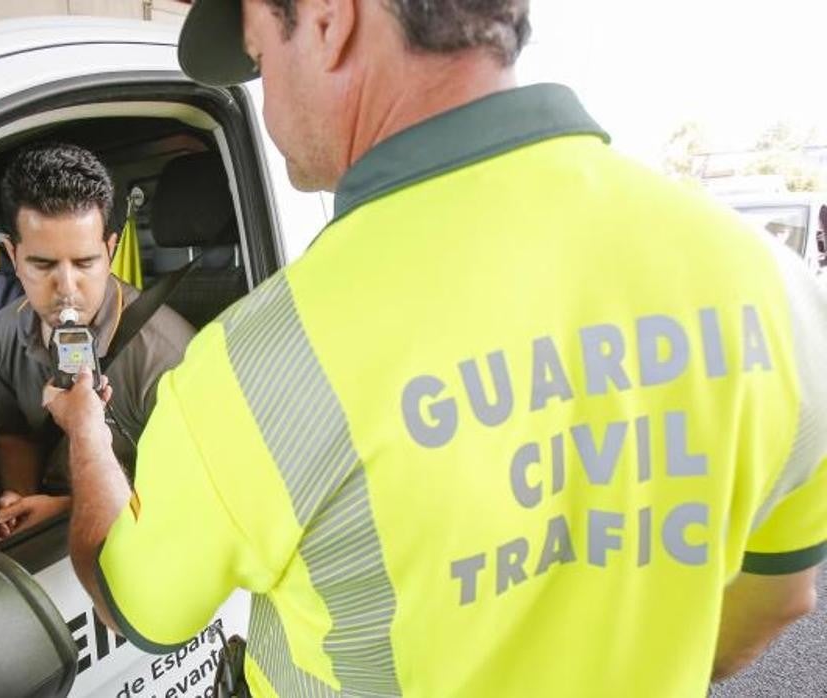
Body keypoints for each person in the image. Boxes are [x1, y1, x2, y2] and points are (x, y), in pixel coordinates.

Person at [43, 1, 827, 696]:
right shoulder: (773, 287)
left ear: (326, 18)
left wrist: (85, 428)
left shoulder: (255, 369)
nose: (266, 95)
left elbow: (132, 604)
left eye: (258, 57)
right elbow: (782, 598)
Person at [0, 142, 194, 542]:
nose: (66, 288)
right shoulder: (3, 331)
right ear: (13, 255)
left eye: (84, 263)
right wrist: (20, 501)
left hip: (133, 538)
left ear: (110, 250)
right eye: (42, 264)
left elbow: (190, 500)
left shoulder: (168, 356)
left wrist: (63, 510)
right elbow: (14, 436)